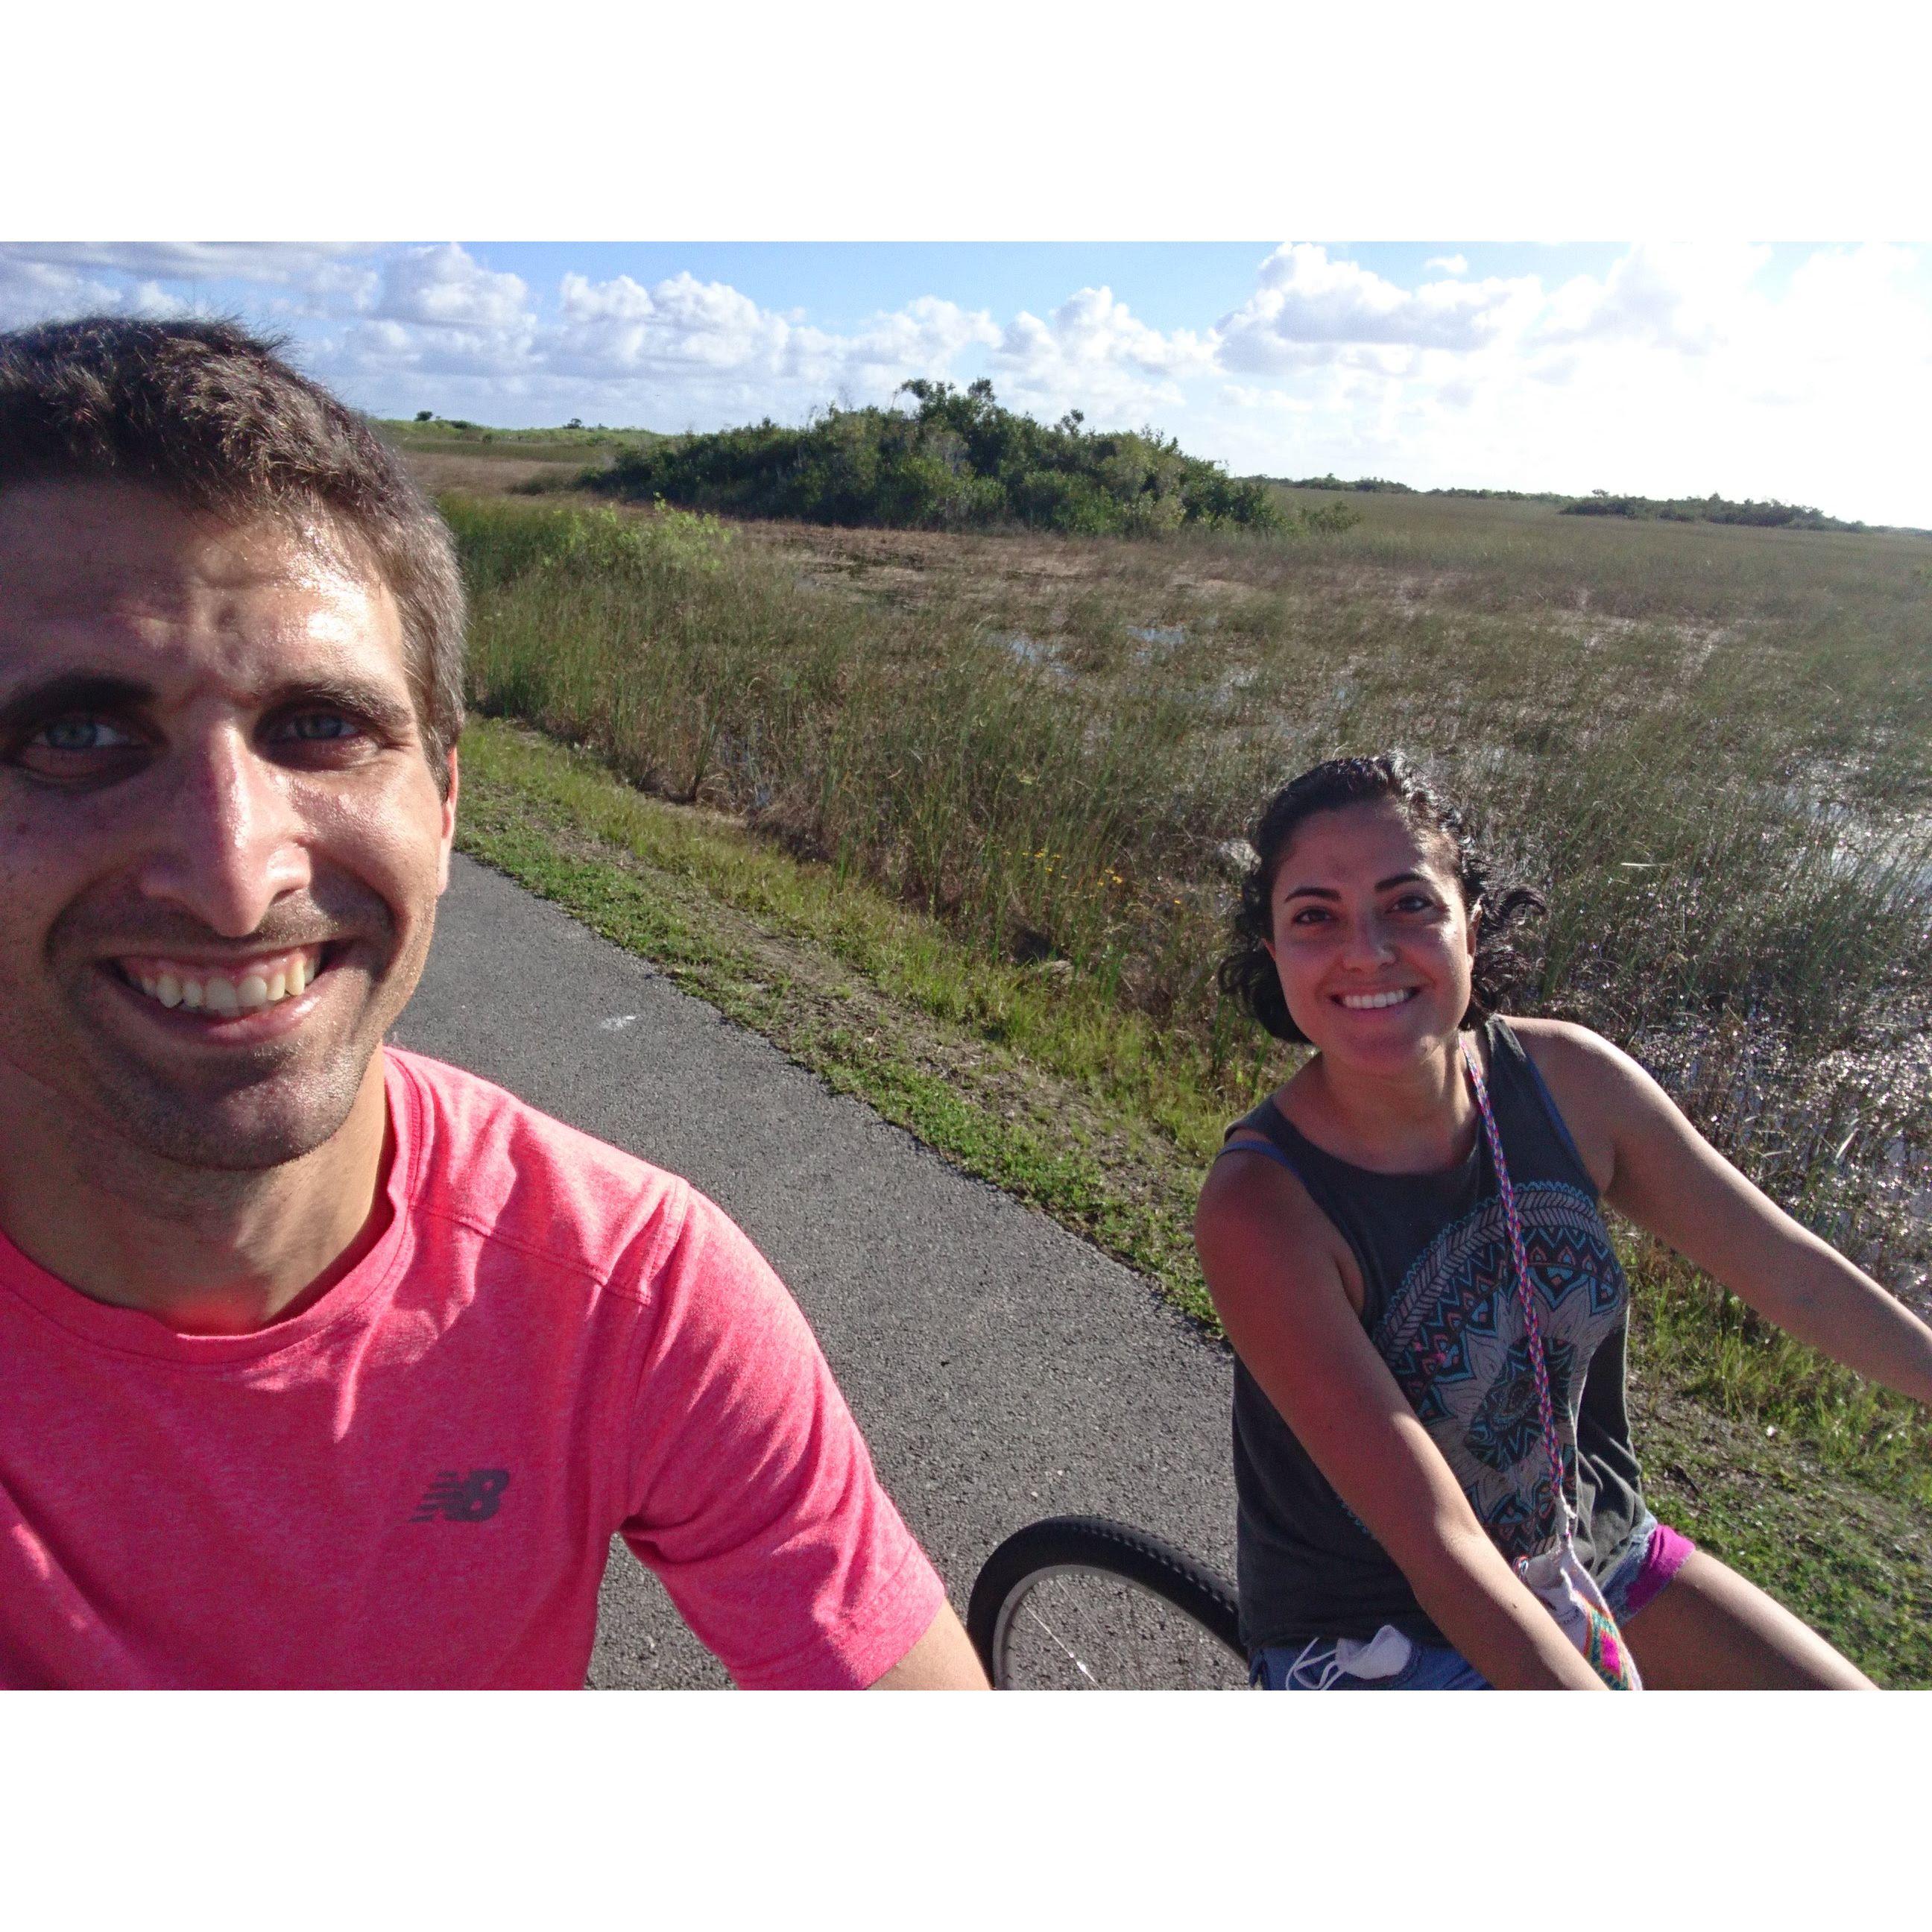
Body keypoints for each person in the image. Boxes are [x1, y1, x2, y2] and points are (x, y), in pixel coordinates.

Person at [0, 316, 986, 1690]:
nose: (234, 876)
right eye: (77, 734)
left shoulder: (625, 1292)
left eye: (321, 726)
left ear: (447, 803)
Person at [1194, 753, 1932, 1690]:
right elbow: (1441, 1548)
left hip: (1588, 1548)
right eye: (1315, 917)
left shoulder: (1570, 1085)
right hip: (1380, 1629)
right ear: (1274, 954)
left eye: (1409, 903)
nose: (1368, 949)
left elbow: (1793, 1275)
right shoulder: (1262, 1210)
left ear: (1472, 922)